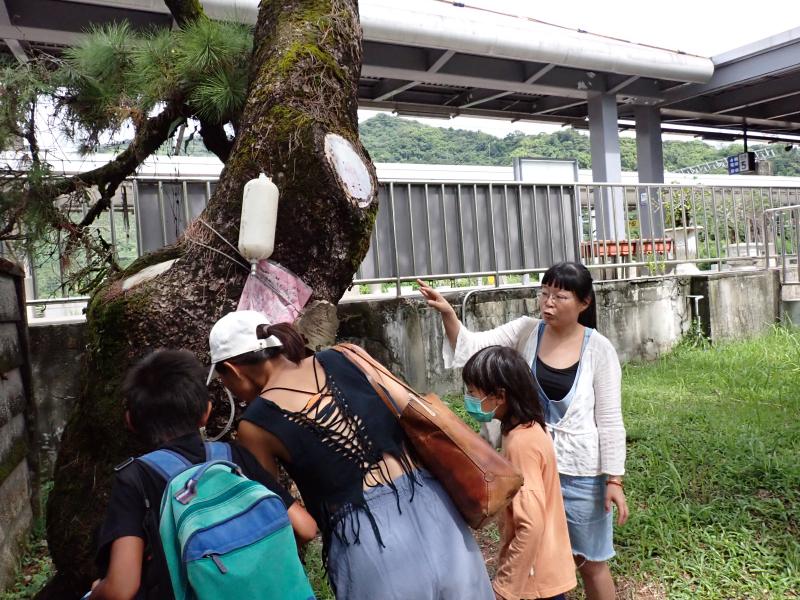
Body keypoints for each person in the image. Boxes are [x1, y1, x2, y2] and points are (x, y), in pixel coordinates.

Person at [206, 310, 494, 600]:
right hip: (438, 514)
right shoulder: (347, 356)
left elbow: (277, 516)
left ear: (233, 369)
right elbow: (412, 409)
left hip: (367, 541)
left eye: (223, 380)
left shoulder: (254, 426)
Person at [419, 261, 629, 600]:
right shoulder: (527, 330)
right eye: (544, 294)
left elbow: (609, 419)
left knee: (590, 561)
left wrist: (614, 480)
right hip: (533, 467)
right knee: (543, 552)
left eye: (559, 296)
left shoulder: (599, 349)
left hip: (579, 473)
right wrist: (448, 315)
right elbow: (473, 349)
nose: (547, 303)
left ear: (584, 302)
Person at [90, 349, 317, 600]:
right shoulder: (234, 457)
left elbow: (122, 589)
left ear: (130, 421)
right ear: (206, 413)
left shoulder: (134, 479)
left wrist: (98, 589)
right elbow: (306, 528)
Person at [462, 345, 576, 600]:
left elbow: (531, 524)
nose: (469, 399)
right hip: (544, 569)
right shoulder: (528, 428)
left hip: (534, 578)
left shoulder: (521, 444)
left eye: (472, 392)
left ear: (499, 396)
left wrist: (505, 587)